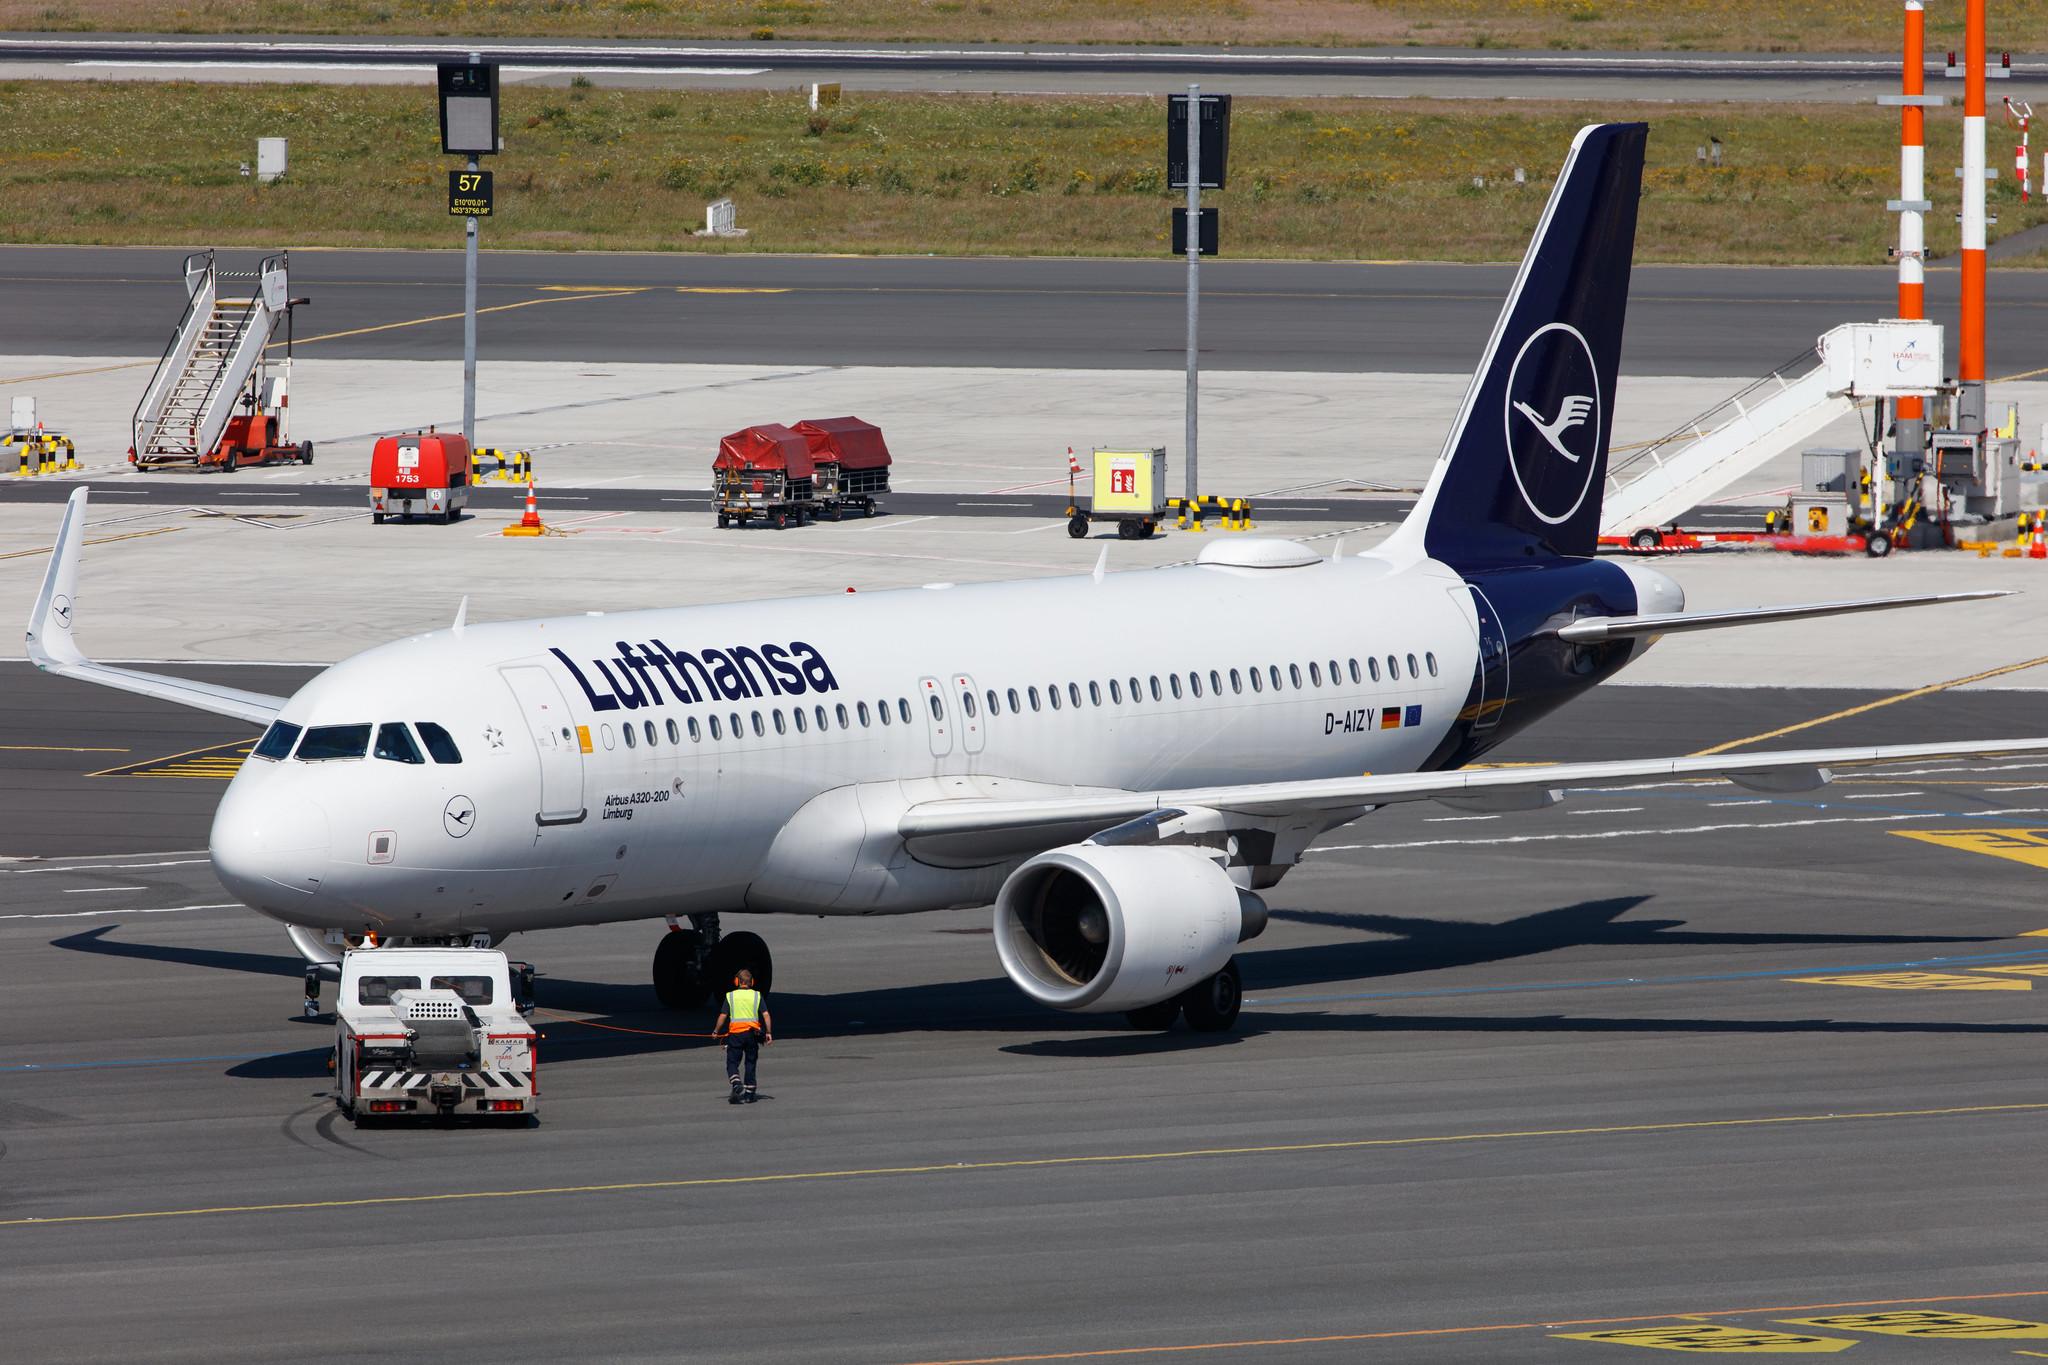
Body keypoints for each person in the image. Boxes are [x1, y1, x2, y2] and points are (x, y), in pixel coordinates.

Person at [712, 968, 772, 1104]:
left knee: (732, 1062)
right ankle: (750, 1094)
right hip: (752, 1035)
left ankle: (736, 1082)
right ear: (752, 982)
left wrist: (716, 1031)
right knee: (750, 1063)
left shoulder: (731, 996)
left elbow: (723, 1016)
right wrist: (768, 1032)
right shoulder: (756, 995)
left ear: (736, 981)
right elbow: (766, 1015)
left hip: (736, 1035)